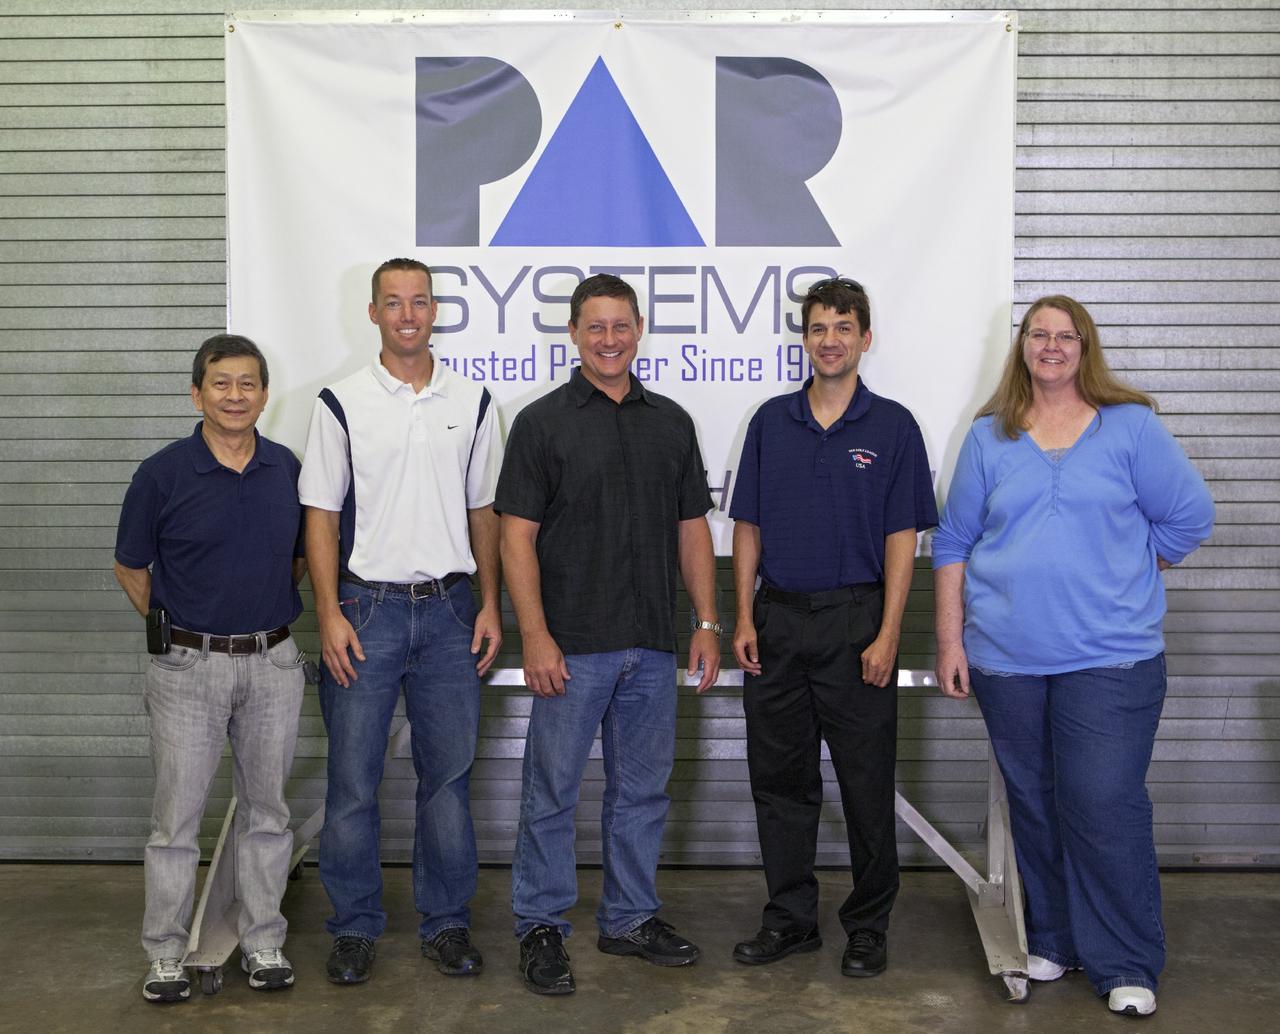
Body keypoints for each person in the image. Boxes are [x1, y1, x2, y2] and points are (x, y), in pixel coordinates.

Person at [932, 295, 1214, 1018]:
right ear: (1022, 347)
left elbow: (1190, 516)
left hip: (1110, 659)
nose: (1051, 346)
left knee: (1102, 802)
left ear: (1085, 347)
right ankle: (1055, 939)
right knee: (1035, 802)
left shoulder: (1130, 427)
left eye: (1066, 335)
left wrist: (1136, 567)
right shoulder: (991, 436)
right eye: (1039, 334)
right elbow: (955, 542)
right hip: (1006, 659)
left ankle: (1126, 962)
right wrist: (951, 640)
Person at [495, 273, 721, 996]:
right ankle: (540, 925)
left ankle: (629, 917)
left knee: (642, 794)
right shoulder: (541, 424)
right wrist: (534, 635)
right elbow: (515, 538)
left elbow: (693, 530)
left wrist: (706, 622)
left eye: (621, 325)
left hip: (652, 644)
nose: (609, 339)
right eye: (595, 326)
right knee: (551, 793)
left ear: (639, 329)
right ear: (573, 333)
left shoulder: (672, 423)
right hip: (571, 646)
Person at [299, 257, 503, 985]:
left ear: (435, 311)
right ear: (373, 313)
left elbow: (485, 511)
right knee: (353, 783)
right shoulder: (340, 402)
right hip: (365, 612)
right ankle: (355, 927)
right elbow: (320, 516)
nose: (407, 314)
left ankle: (446, 922)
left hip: (451, 611)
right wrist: (328, 612)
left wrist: (491, 604)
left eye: (419, 301)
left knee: (447, 780)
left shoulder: (474, 400)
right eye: (393, 302)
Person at [728, 277, 937, 978]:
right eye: (818, 327)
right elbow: (748, 526)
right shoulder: (770, 422)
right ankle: (790, 920)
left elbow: (903, 537)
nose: (830, 340)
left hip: (857, 624)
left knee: (866, 784)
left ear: (865, 339)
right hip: (778, 622)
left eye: (843, 327)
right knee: (780, 783)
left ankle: (868, 926)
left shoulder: (894, 427)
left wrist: (889, 633)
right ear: (805, 339)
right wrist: (743, 616)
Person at [114, 334, 306, 1002]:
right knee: (176, 820)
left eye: (247, 383)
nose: (234, 395)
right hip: (186, 669)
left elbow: (300, 557)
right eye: (221, 383)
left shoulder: (286, 469)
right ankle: (165, 954)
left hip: (273, 663)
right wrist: (174, 627)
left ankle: (262, 941)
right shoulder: (162, 474)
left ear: (264, 394)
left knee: (267, 813)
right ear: (197, 393)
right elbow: (130, 565)